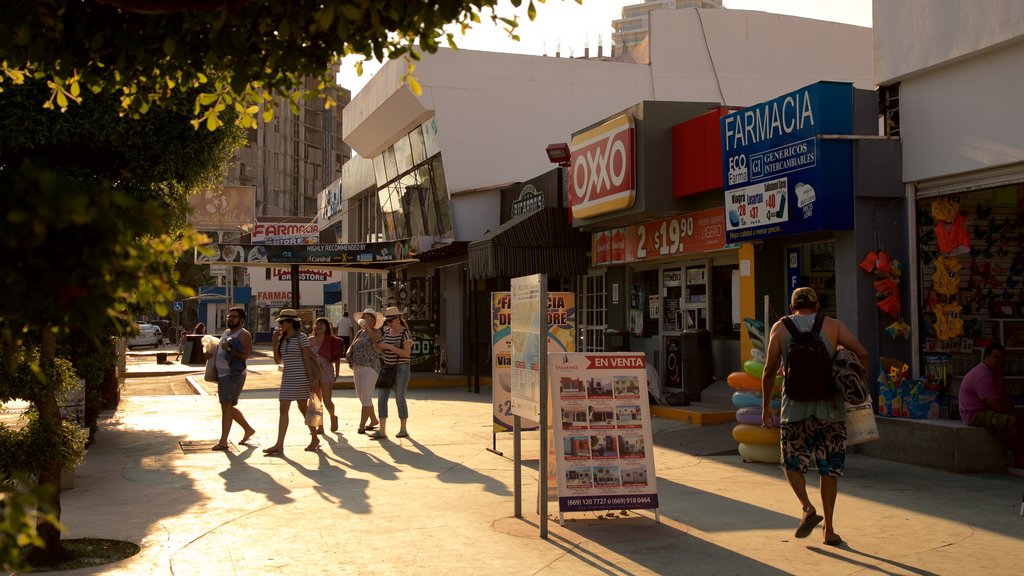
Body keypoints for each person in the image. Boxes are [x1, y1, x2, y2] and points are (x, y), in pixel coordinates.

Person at [760, 287, 868, 547]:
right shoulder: (833, 325)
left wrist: (766, 407)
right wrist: (856, 384)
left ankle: (807, 508)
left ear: (792, 307)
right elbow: (862, 353)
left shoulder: (781, 328)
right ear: (817, 305)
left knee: (791, 465)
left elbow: (768, 371)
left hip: (794, 409)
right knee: (828, 468)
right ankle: (829, 530)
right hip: (830, 409)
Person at [959, 343, 1024, 469]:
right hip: (974, 414)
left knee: (1018, 420)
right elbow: (990, 402)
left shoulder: (997, 372)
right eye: (996, 357)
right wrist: (1010, 415)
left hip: (986, 410)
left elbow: (1004, 397)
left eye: (1002, 358)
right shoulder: (982, 374)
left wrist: (1014, 412)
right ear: (986, 357)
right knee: (1010, 423)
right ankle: (1020, 458)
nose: (1000, 361)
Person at [264, 309, 320, 455]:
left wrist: (312, 379)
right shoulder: (282, 338)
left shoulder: (301, 337)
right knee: (283, 409)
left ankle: (314, 438)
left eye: (282, 322)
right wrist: (274, 344)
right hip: (287, 378)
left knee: (304, 409)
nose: (280, 325)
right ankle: (279, 444)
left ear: (290, 323)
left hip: (300, 377)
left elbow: (307, 359)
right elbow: (278, 361)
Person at [210, 308, 256, 451]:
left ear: (241, 320)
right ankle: (248, 429)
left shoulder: (244, 334)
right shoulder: (226, 332)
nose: (230, 319)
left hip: (233, 374)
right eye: (229, 316)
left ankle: (223, 441)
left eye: (234, 317)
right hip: (222, 375)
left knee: (227, 406)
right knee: (227, 406)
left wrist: (229, 349)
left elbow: (245, 356)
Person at [369, 306, 413, 440]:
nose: (389, 323)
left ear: (398, 319)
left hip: (401, 368)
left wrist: (389, 347)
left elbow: (406, 353)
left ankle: (403, 429)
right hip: (388, 367)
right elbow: (383, 351)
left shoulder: (405, 333)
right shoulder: (387, 332)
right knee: (382, 398)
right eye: (387, 321)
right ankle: (382, 430)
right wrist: (380, 348)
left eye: (391, 320)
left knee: (400, 398)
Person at [349, 307, 383, 434]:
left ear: (374, 321)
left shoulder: (376, 332)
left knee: (367, 397)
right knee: (362, 397)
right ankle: (373, 420)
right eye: (364, 317)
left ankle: (361, 425)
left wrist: (367, 327)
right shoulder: (359, 333)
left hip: (370, 367)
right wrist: (348, 352)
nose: (366, 319)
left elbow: (375, 340)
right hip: (357, 366)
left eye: (369, 318)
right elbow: (352, 346)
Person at [310, 316, 341, 434]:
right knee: (317, 401)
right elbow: (307, 357)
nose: (318, 326)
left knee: (327, 401)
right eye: (316, 324)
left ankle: (333, 416)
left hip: (327, 372)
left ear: (327, 327)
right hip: (314, 373)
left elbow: (337, 357)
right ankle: (320, 426)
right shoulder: (310, 340)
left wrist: (337, 373)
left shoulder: (332, 340)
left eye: (321, 324)